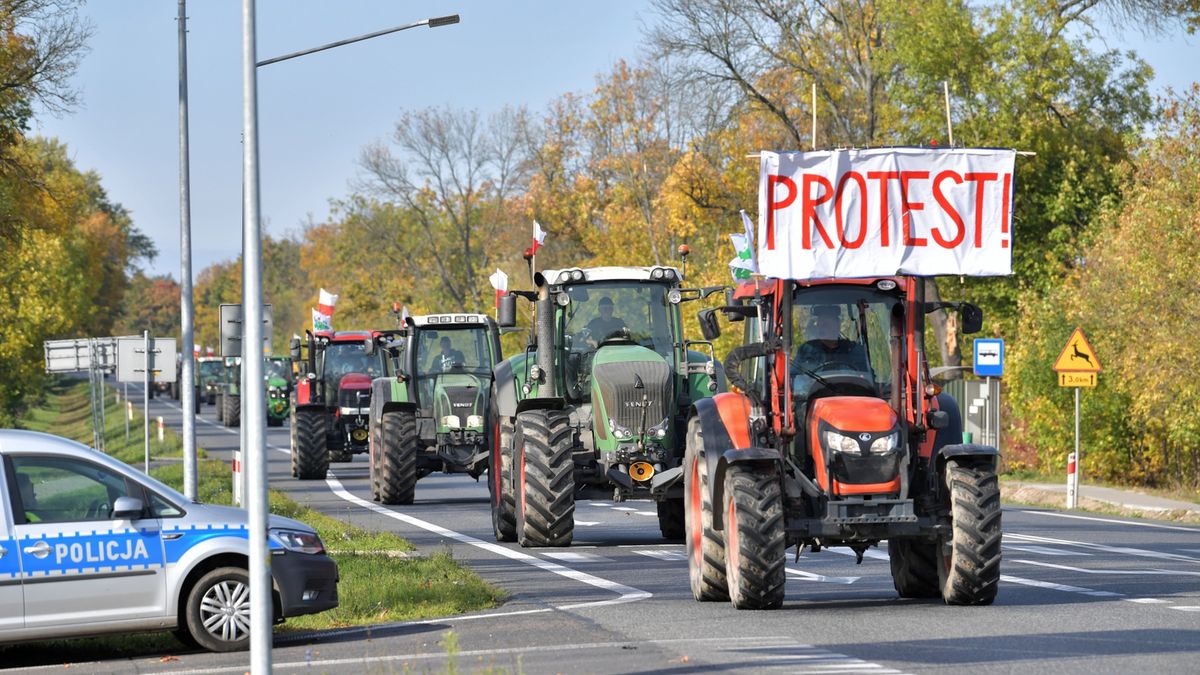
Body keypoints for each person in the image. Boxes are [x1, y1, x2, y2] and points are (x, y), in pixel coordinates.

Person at [794, 305, 870, 373]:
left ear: (837, 325)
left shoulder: (853, 350)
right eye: (820, 324)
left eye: (826, 324)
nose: (822, 328)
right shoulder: (806, 350)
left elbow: (868, 378)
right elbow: (793, 376)